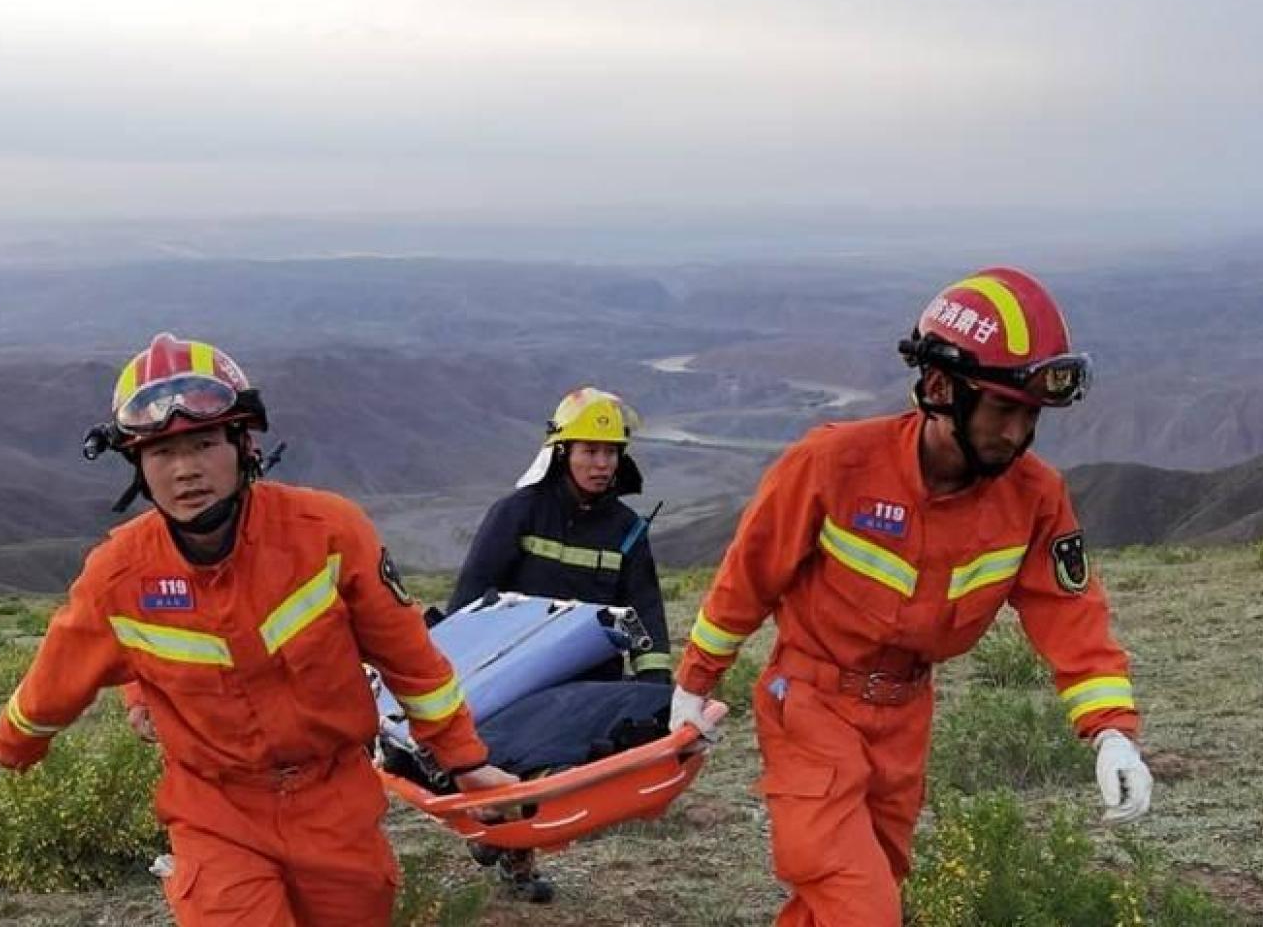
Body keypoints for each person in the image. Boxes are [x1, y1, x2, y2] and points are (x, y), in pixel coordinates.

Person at [668, 267, 1153, 927]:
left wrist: (1112, 734)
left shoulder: (1035, 498)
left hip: (905, 720)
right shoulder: (832, 466)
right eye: (1004, 410)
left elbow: (1071, 613)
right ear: (939, 388)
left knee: (854, 896)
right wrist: (694, 684)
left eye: (1031, 415)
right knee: (861, 906)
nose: (1017, 434)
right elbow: (748, 577)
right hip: (809, 707)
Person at [0, 332, 516, 926]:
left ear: (244, 443)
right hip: (215, 810)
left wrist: (465, 761)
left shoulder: (329, 533)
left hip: (335, 802)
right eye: (162, 453)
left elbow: (409, 659)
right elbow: (54, 683)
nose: (186, 469)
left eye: (205, 442)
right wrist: (13, 750)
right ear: (137, 465)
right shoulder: (117, 578)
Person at [444, 385, 671, 902]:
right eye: (590, 450)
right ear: (563, 452)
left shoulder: (628, 531)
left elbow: (647, 612)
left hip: (587, 680)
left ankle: (507, 842)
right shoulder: (518, 512)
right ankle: (509, 850)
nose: (601, 464)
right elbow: (470, 597)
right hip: (513, 670)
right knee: (511, 764)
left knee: (554, 772)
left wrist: (656, 688)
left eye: (611, 452)